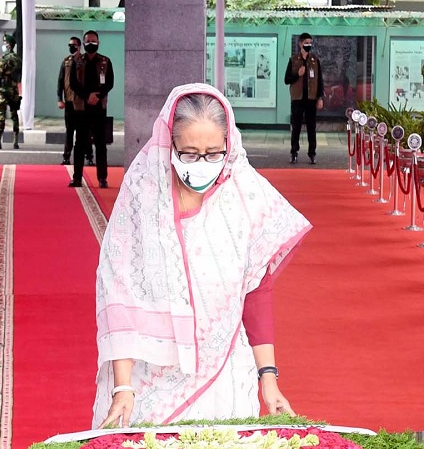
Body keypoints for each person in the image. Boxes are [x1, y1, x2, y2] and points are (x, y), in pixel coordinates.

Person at [94, 84, 311, 428]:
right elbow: (120, 292)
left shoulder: (243, 193)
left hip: (225, 370)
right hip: (151, 380)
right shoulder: (144, 196)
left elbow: (256, 289)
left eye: (213, 153)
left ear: (229, 144)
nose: (203, 164)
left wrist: (267, 377)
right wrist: (122, 386)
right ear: (170, 146)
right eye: (190, 154)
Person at [69, 30, 114, 188]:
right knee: (80, 143)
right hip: (82, 108)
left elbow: (110, 83)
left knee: (101, 144)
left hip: (99, 108)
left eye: (93, 41)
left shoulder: (105, 62)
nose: (90, 44)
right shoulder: (77, 62)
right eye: (88, 41)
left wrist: (98, 96)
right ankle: (77, 178)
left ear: (98, 43)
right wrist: (87, 96)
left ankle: (102, 178)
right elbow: (73, 83)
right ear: (83, 42)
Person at [283, 33, 324, 164]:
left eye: (310, 43)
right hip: (298, 99)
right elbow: (286, 79)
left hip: (311, 99)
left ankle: (312, 153)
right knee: (296, 127)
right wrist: (297, 74)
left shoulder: (315, 60)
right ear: (300, 44)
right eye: (306, 43)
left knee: (312, 127)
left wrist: (320, 97)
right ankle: (294, 152)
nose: (308, 45)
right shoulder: (293, 60)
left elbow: (320, 80)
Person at [57, 36, 92, 166]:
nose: (72, 47)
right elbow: (60, 81)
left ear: (79, 46)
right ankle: (66, 157)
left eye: (74, 45)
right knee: (69, 131)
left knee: (85, 131)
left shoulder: (84, 61)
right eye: (70, 45)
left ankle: (89, 156)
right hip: (70, 102)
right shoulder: (66, 62)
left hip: (82, 103)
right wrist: (59, 99)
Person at [0, 34, 22, 150]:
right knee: (14, 115)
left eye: (5, 43)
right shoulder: (18, 59)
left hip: (4, 90)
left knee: (1, 115)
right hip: (14, 90)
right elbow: (19, 75)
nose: (3, 45)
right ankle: (16, 141)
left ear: (9, 45)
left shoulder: (4, 58)